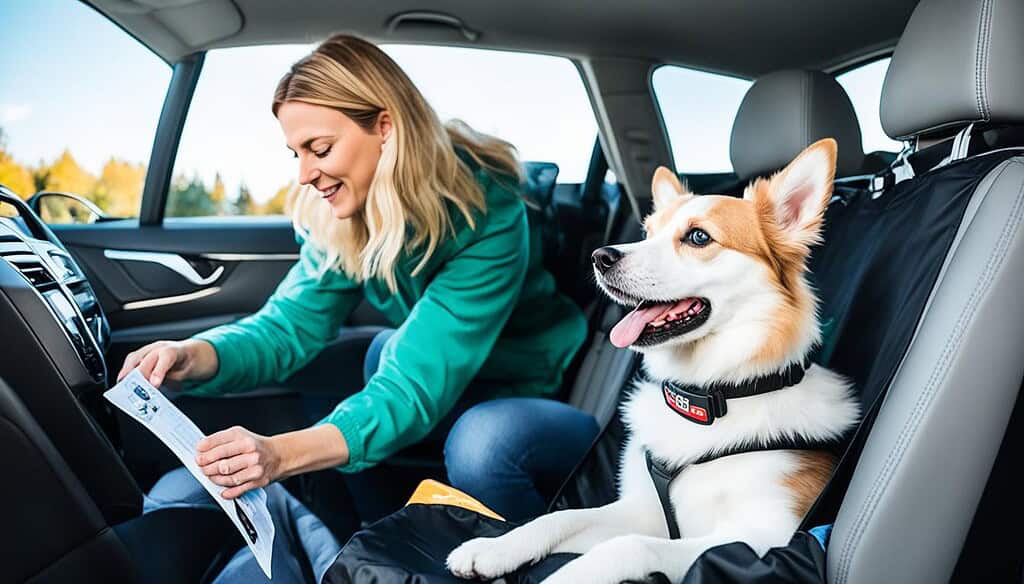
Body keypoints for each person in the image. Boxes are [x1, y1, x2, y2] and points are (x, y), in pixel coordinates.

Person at [120, 34, 598, 580]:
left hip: (526, 387)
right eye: (295, 154)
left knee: (481, 443)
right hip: (442, 377)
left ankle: (524, 571)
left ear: (386, 128)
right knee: (374, 355)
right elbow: (287, 329)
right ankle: (382, 559)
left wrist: (276, 455)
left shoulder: (487, 215)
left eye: (319, 149)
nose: (304, 173)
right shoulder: (345, 214)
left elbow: (411, 390)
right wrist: (193, 355)